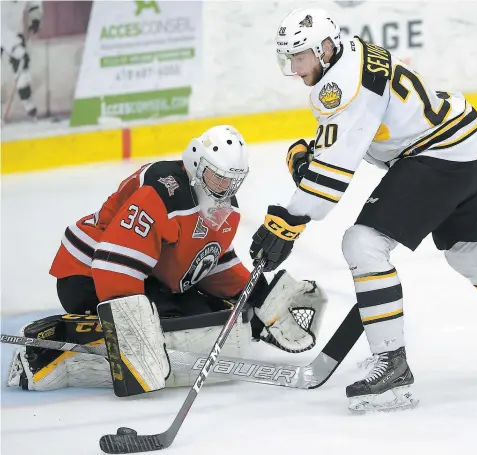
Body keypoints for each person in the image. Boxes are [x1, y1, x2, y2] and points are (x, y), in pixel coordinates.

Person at [249, 8, 477, 413]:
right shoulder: (351, 53)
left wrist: (286, 222)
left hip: (438, 154)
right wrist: (315, 158)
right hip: (467, 142)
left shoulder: (339, 87)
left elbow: (328, 186)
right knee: (473, 256)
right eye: (288, 56)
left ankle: (392, 365)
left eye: (299, 55)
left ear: (323, 49)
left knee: (362, 243)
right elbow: (357, 133)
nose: (293, 66)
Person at [7, 125, 327, 396]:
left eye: (234, 181)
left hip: (147, 276)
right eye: (218, 179)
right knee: (167, 331)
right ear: (196, 163)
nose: (226, 189)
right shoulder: (163, 189)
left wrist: (258, 299)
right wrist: (134, 328)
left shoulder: (222, 206)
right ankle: (55, 359)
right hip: (88, 273)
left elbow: (209, 265)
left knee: (208, 321)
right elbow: (114, 262)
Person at [1, 1, 42, 120]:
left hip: (15, 32)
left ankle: (28, 104)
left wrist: (35, 20)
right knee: (20, 55)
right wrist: (14, 46)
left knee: (22, 69)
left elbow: (35, 5)